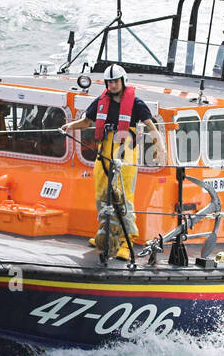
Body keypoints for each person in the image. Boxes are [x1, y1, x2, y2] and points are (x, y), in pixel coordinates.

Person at [59, 64, 166, 261]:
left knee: (123, 198)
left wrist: (160, 147)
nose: (113, 85)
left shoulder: (137, 104)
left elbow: (151, 127)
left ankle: (127, 242)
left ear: (123, 81)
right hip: (104, 153)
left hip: (124, 154)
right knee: (101, 194)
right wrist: (69, 126)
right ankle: (105, 234)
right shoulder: (101, 102)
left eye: (115, 81)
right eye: (110, 82)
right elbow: (86, 122)